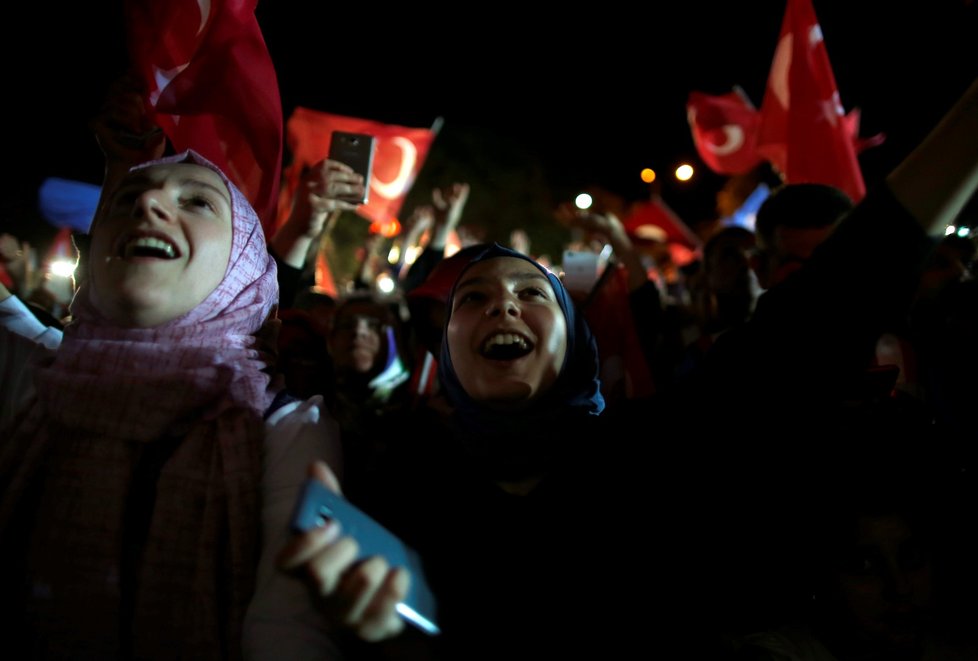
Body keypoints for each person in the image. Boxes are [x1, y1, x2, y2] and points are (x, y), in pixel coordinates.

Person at [0, 146, 344, 660]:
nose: (149, 205)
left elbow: (289, 632)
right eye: (127, 200)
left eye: (199, 203)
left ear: (243, 264)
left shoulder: (287, 432)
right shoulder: (34, 374)